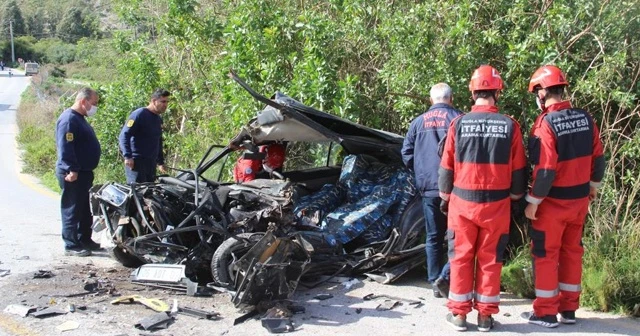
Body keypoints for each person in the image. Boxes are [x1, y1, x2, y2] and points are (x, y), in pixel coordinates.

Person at [439, 65, 527, 332]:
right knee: (491, 259)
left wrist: (445, 197)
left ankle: (458, 315)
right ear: (497, 92)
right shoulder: (510, 126)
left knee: (461, 258)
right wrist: (515, 198)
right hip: (497, 205)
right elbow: (518, 171)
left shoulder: (458, 124)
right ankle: (486, 317)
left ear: (473, 91)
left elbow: (446, 168)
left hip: (462, 205)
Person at [520, 65, 605, 328]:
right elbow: (599, 158)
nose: (537, 98)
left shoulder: (546, 123)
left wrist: (533, 201)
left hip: (552, 204)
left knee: (546, 255)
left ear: (543, 92)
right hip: (579, 201)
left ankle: (545, 312)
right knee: (572, 252)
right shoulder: (586, 118)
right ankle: (568, 310)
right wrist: (593, 185)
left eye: (537, 92)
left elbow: (545, 170)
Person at [401, 83, 462, 298]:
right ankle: (450, 278)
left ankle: (434, 280)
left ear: (431, 101)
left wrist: (420, 171)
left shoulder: (417, 123)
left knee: (434, 236)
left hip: (428, 187)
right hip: (456, 189)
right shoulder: (459, 119)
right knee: (458, 236)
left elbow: (406, 153)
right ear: (451, 99)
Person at [55, 87, 102, 257]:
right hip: (73, 173)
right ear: (84, 101)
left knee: (83, 208)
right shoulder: (69, 119)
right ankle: (71, 244)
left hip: (84, 172)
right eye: (94, 103)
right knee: (72, 208)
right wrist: (71, 168)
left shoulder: (79, 118)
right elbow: (66, 147)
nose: (95, 106)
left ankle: (85, 240)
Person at [119, 89, 170, 184]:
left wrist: (160, 162)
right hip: (137, 163)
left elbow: (158, 141)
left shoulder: (158, 119)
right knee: (137, 194)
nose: (165, 105)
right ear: (154, 101)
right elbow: (124, 135)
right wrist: (127, 156)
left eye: (167, 102)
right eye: (163, 101)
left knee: (149, 194)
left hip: (151, 164)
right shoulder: (139, 114)